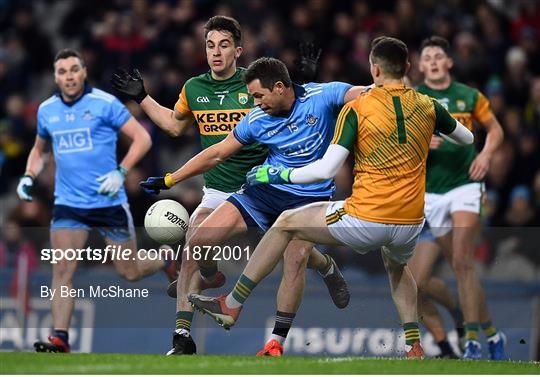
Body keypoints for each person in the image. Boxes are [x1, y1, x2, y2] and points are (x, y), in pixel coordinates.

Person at [188, 36, 475, 359]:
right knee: (397, 267)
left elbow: (326, 170)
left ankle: (233, 303)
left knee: (284, 225)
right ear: (408, 68)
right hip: (410, 222)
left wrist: (277, 174)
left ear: (373, 69)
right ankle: (414, 345)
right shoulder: (428, 105)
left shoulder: (359, 108)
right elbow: (466, 138)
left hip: (366, 216)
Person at [112, 16, 347, 356]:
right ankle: (183, 337)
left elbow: (288, 105)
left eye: (223, 45)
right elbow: (175, 127)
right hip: (221, 188)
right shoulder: (194, 88)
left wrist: (306, 81)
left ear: (238, 50)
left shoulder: (253, 84)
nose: (216, 52)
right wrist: (143, 98)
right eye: (210, 45)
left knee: (293, 252)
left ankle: (324, 265)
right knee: (195, 237)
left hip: (268, 183)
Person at [17, 49, 173, 353]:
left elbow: (143, 138)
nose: (69, 76)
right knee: (62, 270)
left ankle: (164, 257)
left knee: (129, 273)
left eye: (74, 70)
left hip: (108, 202)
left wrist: (121, 171)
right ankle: (60, 338)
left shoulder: (104, 104)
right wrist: (27, 175)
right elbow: (39, 150)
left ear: (84, 72)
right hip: (68, 203)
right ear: (56, 77)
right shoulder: (47, 110)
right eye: (62, 72)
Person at [410, 35, 506, 360]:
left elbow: (495, 130)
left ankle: (474, 341)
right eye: (428, 57)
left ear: (448, 63)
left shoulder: (469, 96)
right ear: (420, 66)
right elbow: (402, 146)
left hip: (465, 185)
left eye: (439, 55)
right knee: (418, 281)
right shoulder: (415, 99)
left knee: (463, 262)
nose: (434, 61)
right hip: (429, 194)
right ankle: (490, 331)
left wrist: (487, 155)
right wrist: (421, 144)